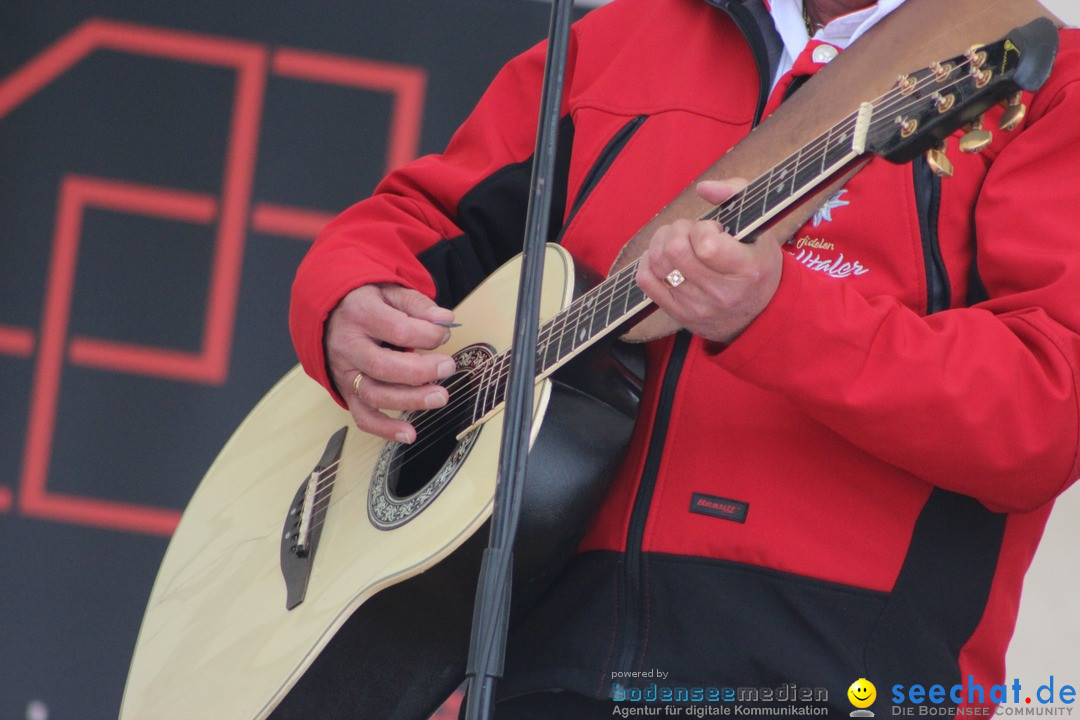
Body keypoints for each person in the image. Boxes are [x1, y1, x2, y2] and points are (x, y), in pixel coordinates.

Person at [289, 0, 1080, 716]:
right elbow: (420, 222)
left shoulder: (1039, 73)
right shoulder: (611, 39)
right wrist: (346, 302)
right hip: (531, 663)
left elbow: (1047, 411)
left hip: (838, 675)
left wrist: (781, 316)